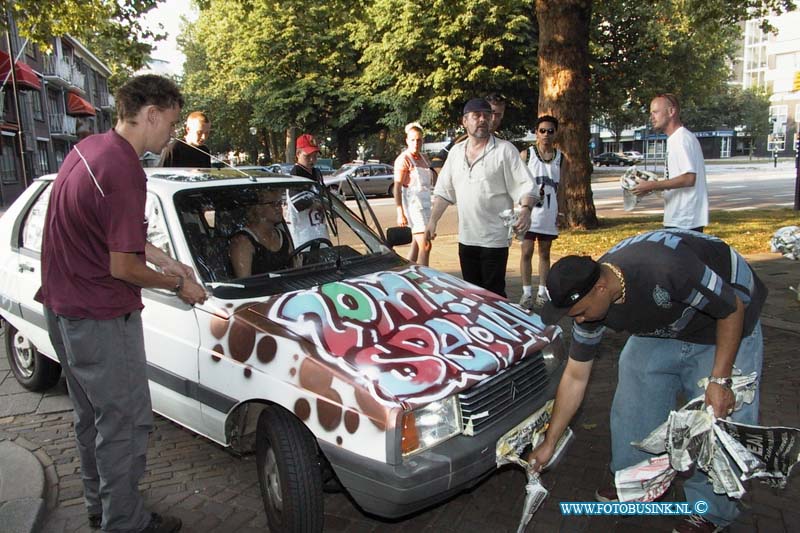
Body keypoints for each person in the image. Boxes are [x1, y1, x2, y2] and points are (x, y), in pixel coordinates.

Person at [38, 74, 208, 533]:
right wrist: (179, 287)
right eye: (170, 123)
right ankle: (125, 522)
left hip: (64, 308)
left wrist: (171, 261)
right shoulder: (125, 170)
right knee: (126, 421)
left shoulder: (89, 151)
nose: (170, 134)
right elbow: (123, 267)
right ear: (150, 114)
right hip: (100, 316)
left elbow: (117, 235)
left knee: (91, 416)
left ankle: (101, 504)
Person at [528, 229, 766, 533]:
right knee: (635, 382)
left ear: (601, 288)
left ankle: (710, 511)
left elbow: (732, 307)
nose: (580, 321)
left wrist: (721, 380)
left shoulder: (667, 268)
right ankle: (639, 484)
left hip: (729, 317)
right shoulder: (593, 305)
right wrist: (550, 442)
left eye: (581, 312)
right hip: (667, 319)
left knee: (719, 418)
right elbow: (575, 375)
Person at [425, 98, 538, 297]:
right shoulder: (456, 153)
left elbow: (526, 186)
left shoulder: (504, 150)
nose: (483, 120)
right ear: (464, 121)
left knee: (494, 295)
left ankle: (500, 327)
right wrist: (433, 221)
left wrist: (526, 210)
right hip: (467, 238)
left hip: (494, 239)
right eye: (477, 116)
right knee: (472, 295)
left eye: (487, 115)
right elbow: (443, 191)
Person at [632, 93, 708, 231]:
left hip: (684, 221)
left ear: (671, 111)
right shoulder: (676, 139)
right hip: (680, 219)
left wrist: (652, 185)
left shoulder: (681, 139)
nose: (652, 117)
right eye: (651, 113)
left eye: (655, 112)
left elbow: (689, 178)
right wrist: (651, 186)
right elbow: (678, 178)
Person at [518, 115, 561, 310]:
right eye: (542, 130)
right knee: (526, 250)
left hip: (549, 211)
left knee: (545, 252)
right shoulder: (527, 155)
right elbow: (516, 182)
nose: (546, 135)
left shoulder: (560, 157)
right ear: (536, 133)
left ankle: (543, 292)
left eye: (550, 131)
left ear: (556, 133)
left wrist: (561, 212)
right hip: (529, 211)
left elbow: (564, 186)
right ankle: (527, 292)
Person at [394, 122, 436, 265]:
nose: (416, 143)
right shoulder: (404, 159)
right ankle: (425, 279)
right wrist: (400, 212)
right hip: (413, 205)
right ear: (407, 141)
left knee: (417, 245)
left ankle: (407, 272)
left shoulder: (424, 158)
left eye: (419, 140)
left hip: (426, 203)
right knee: (425, 245)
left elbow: (433, 178)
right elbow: (397, 187)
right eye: (412, 140)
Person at [230, 189, 295, 277]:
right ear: (258, 208)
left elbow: (294, 268)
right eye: (273, 204)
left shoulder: (282, 236)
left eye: (280, 203)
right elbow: (245, 282)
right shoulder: (243, 241)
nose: (279, 208)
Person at [430, 93, 506, 169]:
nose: (493, 119)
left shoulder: (503, 146)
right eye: (491, 113)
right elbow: (437, 161)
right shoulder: (462, 141)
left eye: (498, 115)